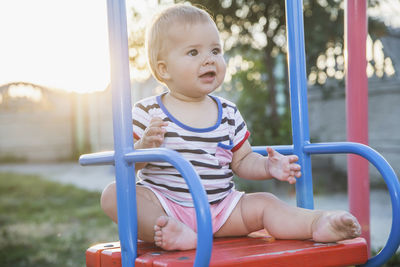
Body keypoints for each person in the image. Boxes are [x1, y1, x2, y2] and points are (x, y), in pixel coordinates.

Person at [100, 4, 361, 251]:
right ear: (163, 69)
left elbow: (243, 161)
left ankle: (317, 224)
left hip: (222, 210)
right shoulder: (147, 112)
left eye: (215, 51)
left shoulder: (228, 113)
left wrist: (268, 167)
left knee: (265, 203)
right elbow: (125, 167)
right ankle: (176, 233)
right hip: (166, 208)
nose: (209, 60)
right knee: (114, 194)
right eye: (194, 52)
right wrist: (144, 147)